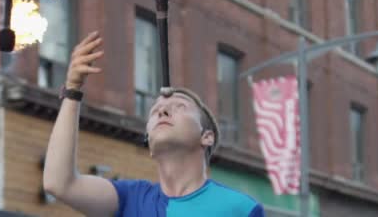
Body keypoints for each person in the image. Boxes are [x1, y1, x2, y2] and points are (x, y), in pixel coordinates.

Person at [43, 31, 265, 216]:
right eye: (155, 111)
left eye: (179, 106)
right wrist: (72, 90)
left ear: (207, 136)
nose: (163, 110)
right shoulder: (130, 198)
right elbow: (59, 183)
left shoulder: (241, 209)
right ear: (149, 142)